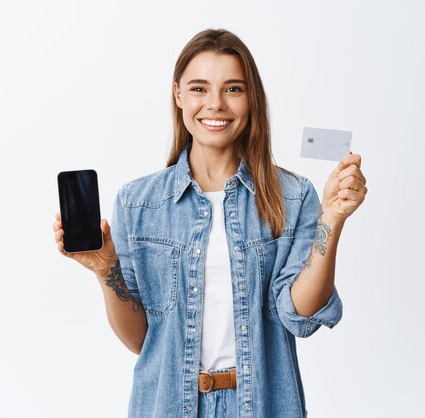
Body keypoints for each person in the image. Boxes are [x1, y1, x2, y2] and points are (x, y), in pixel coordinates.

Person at [53, 28, 367, 418]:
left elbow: (300, 315)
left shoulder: (292, 196)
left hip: (263, 405)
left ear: (251, 98)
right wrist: (105, 270)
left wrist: (332, 219)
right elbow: (141, 341)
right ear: (178, 95)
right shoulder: (138, 203)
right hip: (167, 405)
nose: (215, 104)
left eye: (233, 89)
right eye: (199, 89)